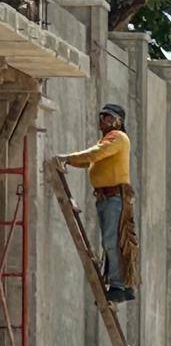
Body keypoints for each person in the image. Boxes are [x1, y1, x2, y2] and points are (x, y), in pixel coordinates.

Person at [56, 103, 138, 303]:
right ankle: (122, 285)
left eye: (109, 117)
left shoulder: (117, 137)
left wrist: (66, 158)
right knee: (112, 241)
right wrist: (70, 161)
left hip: (114, 198)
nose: (104, 121)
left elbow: (95, 154)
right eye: (102, 117)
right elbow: (90, 159)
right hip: (106, 198)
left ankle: (119, 285)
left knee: (111, 241)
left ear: (119, 121)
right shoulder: (106, 140)